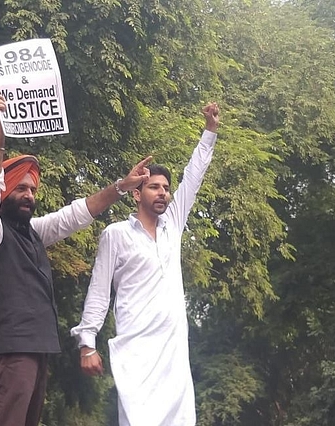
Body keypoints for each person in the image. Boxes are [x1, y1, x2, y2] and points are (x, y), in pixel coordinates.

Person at [0, 88, 152, 426]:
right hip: (10, 350)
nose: (28, 195)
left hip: (36, 350)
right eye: (21, 188)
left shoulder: (33, 231)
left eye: (33, 190)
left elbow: (78, 213)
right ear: (6, 192)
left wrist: (122, 187)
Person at [70, 102, 220, 426]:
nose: (163, 193)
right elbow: (98, 293)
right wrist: (87, 344)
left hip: (174, 353)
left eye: (166, 188)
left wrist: (209, 131)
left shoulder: (174, 226)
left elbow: (194, 176)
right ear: (137, 194)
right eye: (154, 186)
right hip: (136, 353)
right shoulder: (116, 235)